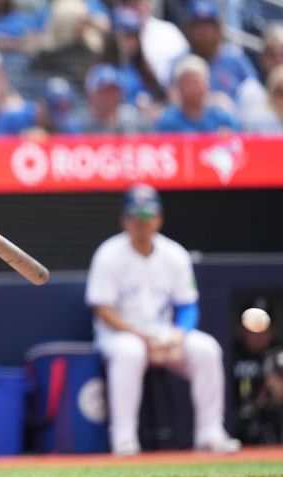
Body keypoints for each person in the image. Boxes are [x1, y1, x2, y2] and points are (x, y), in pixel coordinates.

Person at [85, 184, 240, 456]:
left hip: (163, 336)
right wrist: (138, 335)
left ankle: (210, 433)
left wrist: (179, 334)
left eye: (149, 216)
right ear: (124, 219)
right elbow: (102, 309)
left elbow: (188, 306)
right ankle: (124, 438)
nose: (143, 223)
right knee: (129, 352)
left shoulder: (174, 254)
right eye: (136, 217)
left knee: (206, 349)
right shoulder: (109, 254)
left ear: (159, 218)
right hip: (121, 335)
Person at [155, 55, 240, 133]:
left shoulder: (221, 118)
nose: (193, 89)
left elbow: (239, 139)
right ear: (179, 87)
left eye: (197, 83)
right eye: (188, 83)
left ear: (207, 85)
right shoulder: (168, 122)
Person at [232, 298, 278, 443]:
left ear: (272, 330)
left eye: (264, 328)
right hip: (236, 423)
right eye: (253, 328)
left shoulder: (278, 354)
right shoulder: (230, 355)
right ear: (241, 329)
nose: (259, 334)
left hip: (273, 422)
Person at [77, 64, 147, 134]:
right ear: (91, 93)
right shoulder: (79, 123)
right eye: (103, 91)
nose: (109, 96)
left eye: (113, 91)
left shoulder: (132, 117)